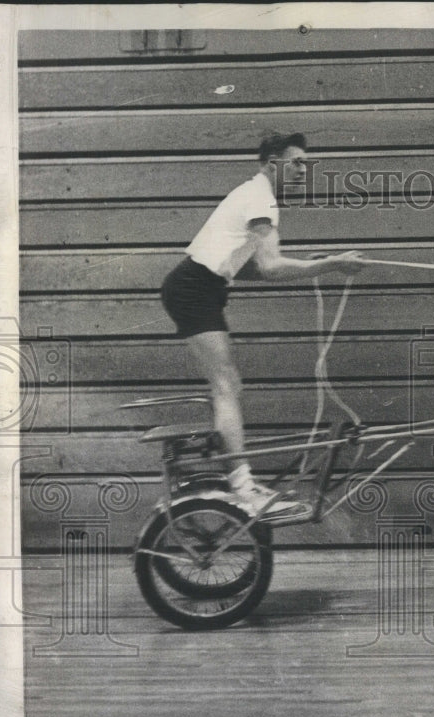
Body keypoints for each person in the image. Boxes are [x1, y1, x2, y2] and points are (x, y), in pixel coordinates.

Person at [160, 132, 365, 516]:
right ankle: (242, 488)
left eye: (306, 163)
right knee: (225, 386)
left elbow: (248, 268)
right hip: (192, 289)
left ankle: (240, 480)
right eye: (297, 162)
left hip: (201, 287)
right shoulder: (261, 202)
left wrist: (317, 264)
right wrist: (331, 264)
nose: (304, 170)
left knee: (229, 384)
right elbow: (271, 267)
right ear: (273, 164)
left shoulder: (257, 196)